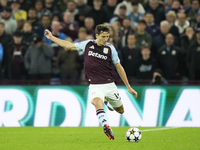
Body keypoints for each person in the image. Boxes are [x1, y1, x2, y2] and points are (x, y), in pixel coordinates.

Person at [44, 24, 137, 140]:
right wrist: (52, 37)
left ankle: (108, 102)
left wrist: (128, 86)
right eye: (103, 36)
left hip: (109, 84)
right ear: (96, 35)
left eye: (107, 36)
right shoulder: (88, 44)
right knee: (97, 102)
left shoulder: (110, 48)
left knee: (121, 110)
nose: (105, 39)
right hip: (95, 85)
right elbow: (69, 45)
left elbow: (119, 67)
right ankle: (106, 125)